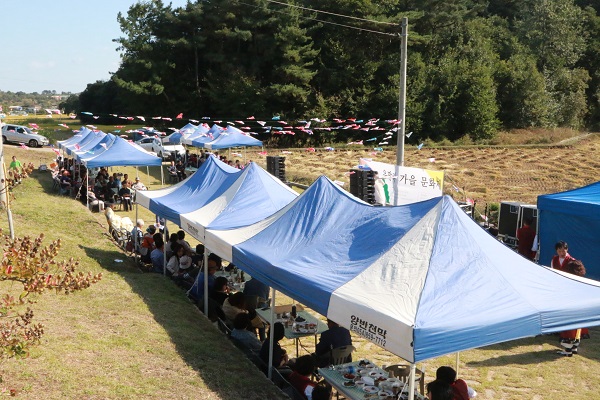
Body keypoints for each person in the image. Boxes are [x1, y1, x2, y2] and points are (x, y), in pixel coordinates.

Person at [558, 259, 588, 356]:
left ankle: (568, 351)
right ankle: (574, 348)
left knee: (569, 330)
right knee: (578, 329)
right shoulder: (583, 281)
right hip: (581, 310)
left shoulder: (569, 282)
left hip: (571, 310)